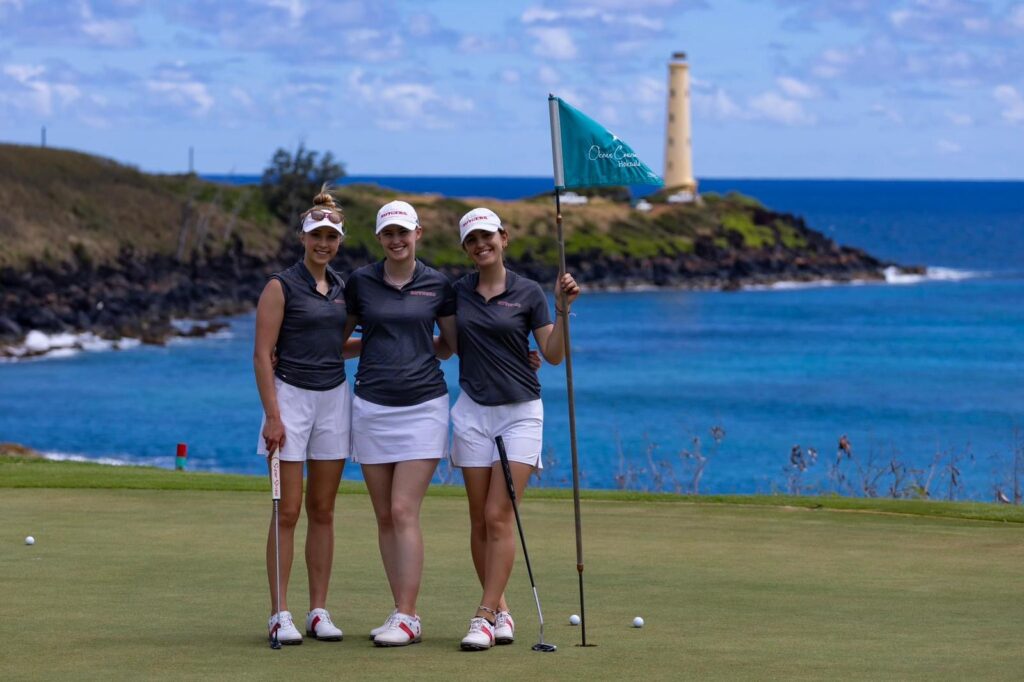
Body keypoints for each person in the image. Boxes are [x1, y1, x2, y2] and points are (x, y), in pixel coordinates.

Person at [449, 207, 580, 651]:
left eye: (488, 236)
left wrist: (562, 312)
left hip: (521, 412)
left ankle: (483, 616)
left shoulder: (528, 292)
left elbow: (554, 353)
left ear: (503, 238)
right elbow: (445, 345)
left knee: (498, 515)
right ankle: (501, 608)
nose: (481, 245)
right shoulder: (456, 293)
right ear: (465, 248)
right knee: (478, 520)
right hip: (471, 411)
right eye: (472, 240)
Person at [342, 200, 457, 647]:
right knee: (385, 515)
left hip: (424, 406)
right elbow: (339, 340)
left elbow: (449, 346)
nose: (397, 240)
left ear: (418, 234)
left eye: (403, 232)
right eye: (389, 233)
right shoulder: (361, 282)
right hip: (371, 406)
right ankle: (401, 611)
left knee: (404, 509)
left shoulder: (438, 284)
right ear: (379, 238)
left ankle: (408, 615)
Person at [253, 186, 358, 645]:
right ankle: (280, 614)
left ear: (339, 240)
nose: (323, 243)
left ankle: (318, 610)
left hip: (334, 399)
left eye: (331, 237)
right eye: (316, 235)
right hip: (290, 401)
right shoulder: (280, 285)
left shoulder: (341, 289)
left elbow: (336, 347)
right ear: (303, 237)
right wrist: (272, 416)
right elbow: (261, 355)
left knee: (323, 510)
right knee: (288, 510)